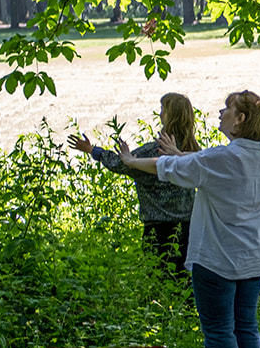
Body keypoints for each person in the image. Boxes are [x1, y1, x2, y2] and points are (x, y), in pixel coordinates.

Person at [119, 90, 260, 348]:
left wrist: (131, 161)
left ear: (240, 119)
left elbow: (170, 169)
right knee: (246, 324)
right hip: (254, 256)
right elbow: (196, 165)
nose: (220, 112)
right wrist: (180, 153)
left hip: (218, 258)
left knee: (218, 330)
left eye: (227, 109)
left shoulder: (221, 158)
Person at [68, 93, 199, 275]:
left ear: (170, 116)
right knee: (184, 279)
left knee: (158, 278)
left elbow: (120, 163)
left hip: (158, 228)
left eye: (163, 110)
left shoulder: (156, 150)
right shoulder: (195, 151)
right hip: (189, 227)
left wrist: (92, 150)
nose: (160, 114)